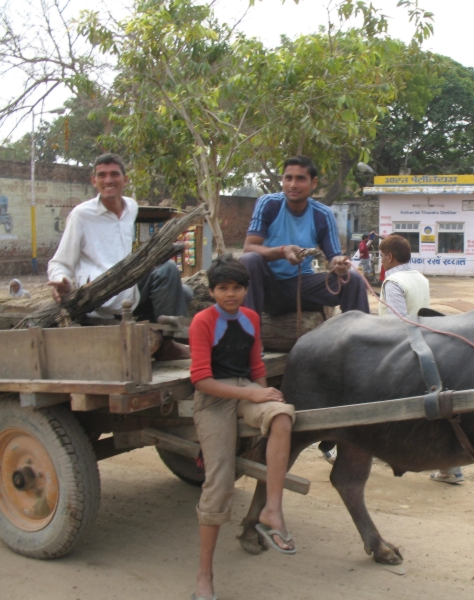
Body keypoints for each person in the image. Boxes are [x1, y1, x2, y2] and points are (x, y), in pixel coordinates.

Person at [190, 255, 296, 600]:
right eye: (223, 288)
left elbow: (255, 365)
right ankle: (204, 577)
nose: (230, 294)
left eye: (236, 288)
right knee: (219, 484)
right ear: (211, 292)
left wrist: (267, 396)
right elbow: (202, 380)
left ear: (246, 291)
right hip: (213, 399)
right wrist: (253, 391)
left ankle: (272, 510)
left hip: (245, 391)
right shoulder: (202, 322)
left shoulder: (251, 318)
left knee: (282, 416)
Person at [47, 153, 190, 360]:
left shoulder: (130, 207)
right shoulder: (81, 215)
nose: (108, 180)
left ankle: (163, 339)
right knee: (168, 271)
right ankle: (167, 346)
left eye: (114, 174)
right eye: (102, 175)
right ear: (94, 181)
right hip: (101, 297)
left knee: (184, 292)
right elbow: (60, 262)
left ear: (125, 179)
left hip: (128, 286)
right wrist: (63, 282)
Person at [377, 236, 464, 484]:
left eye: (381, 256)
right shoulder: (420, 278)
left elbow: (396, 323)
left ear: (389, 257)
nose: (380, 261)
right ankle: (451, 467)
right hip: (425, 344)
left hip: (399, 351)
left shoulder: (392, 281)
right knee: (437, 410)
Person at [239, 155, 369, 317]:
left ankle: (358, 337)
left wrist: (339, 265)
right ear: (282, 181)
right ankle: (250, 338)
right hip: (266, 290)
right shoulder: (268, 204)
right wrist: (283, 251)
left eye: (300, 179)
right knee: (250, 260)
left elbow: (333, 259)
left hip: (302, 287)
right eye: (288, 178)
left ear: (313, 183)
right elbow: (249, 248)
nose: (293, 185)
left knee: (353, 278)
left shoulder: (322, 214)